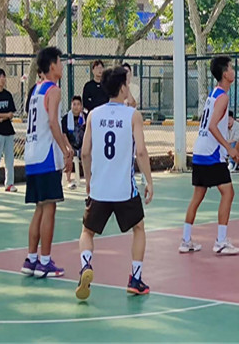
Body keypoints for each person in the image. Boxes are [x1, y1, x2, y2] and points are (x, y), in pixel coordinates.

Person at [75, 66, 154, 300]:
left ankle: (86, 265)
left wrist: (88, 180)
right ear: (122, 88)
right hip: (124, 189)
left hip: (99, 188)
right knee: (138, 228)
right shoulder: (132, 115)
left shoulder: (94, 115)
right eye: (127, 84)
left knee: (87, 231)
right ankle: (135, 279)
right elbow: (141, 152)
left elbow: (85, 153)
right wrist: (149, 181)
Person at [180, 56, 239, 255]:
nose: (233, 70)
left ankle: (186, 240)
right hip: (211, 153)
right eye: (231, 67)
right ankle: (221, 241)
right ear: (225, 73)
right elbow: (213, 126)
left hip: (200, 150)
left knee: (197, 196)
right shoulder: (223, 97)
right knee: (228, 193)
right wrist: (229, 148)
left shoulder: (213, 94)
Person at [21, 47, 74, 278]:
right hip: (46, 156)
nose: (62, 65)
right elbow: (53, 121)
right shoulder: (54, 90)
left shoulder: (36, 90)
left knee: (39, 208)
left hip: (31, 154)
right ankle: (44, 262)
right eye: (60, 62)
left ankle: (31, 259)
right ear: (52, 66)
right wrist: (65, 150)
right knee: (50, 207)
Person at [61, 96, 86, 190]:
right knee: (68, 154)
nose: (76, 107)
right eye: (74, 104)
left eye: (78, 104)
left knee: (88, 153)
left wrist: (85, 146)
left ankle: (88, 179)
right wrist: (69, 147)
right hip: (70, 146)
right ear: (71, 106)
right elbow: (64, 135)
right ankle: (68, 180)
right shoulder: (66, 118)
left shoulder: (85, 117)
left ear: (81, 106)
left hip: (83, 145)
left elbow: (88, 133)